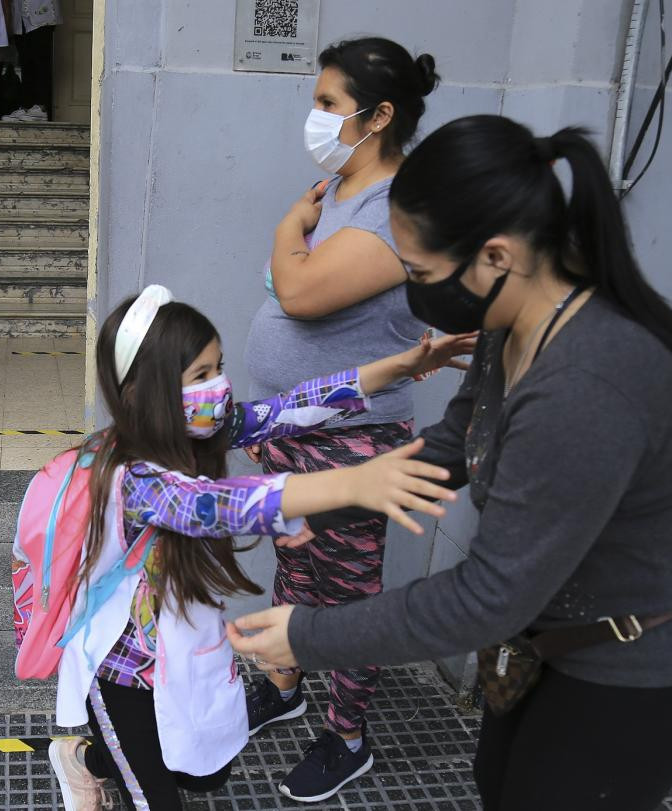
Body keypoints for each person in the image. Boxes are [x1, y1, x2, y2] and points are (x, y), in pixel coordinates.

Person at [228, 115, 672, 811]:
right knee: (499, 784)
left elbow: (486, 597)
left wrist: (309, 634)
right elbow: (454, 445)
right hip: (554, 645)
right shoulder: (512, 323)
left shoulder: (586, 385)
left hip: (648, 665)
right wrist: (313, 506)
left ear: (496, 256)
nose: (417, 292)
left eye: (420, 272)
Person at [32, 285, 473, 810]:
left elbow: (295, 407)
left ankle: (90, 758)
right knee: (156, 793)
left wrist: (401, 364)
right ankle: (95, 758)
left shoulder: (198, 433)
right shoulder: (135, 480)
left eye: (218, 367)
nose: (219, 387)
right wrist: (356, 484)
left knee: (203, 777)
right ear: (143, 393)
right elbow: (227, 502)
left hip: (181, 652)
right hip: (122, 669)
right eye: (200, 376)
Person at [240, 37, 438, 803]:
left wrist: (288, 224)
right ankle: (286, 683)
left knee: (350, 592)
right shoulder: (339, 196)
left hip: (353, 437)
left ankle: (347, 734)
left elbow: (299, 293)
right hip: (293, 427)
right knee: (294, 561)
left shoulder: (394, 213)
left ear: (379, 115)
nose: (315, 117)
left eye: (328, 104)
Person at [0, 0, 61, 122]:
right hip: (21, 16)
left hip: (41, 13)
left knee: (40, 62)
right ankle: (27, 106)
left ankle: (41, 106)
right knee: (26, 63)